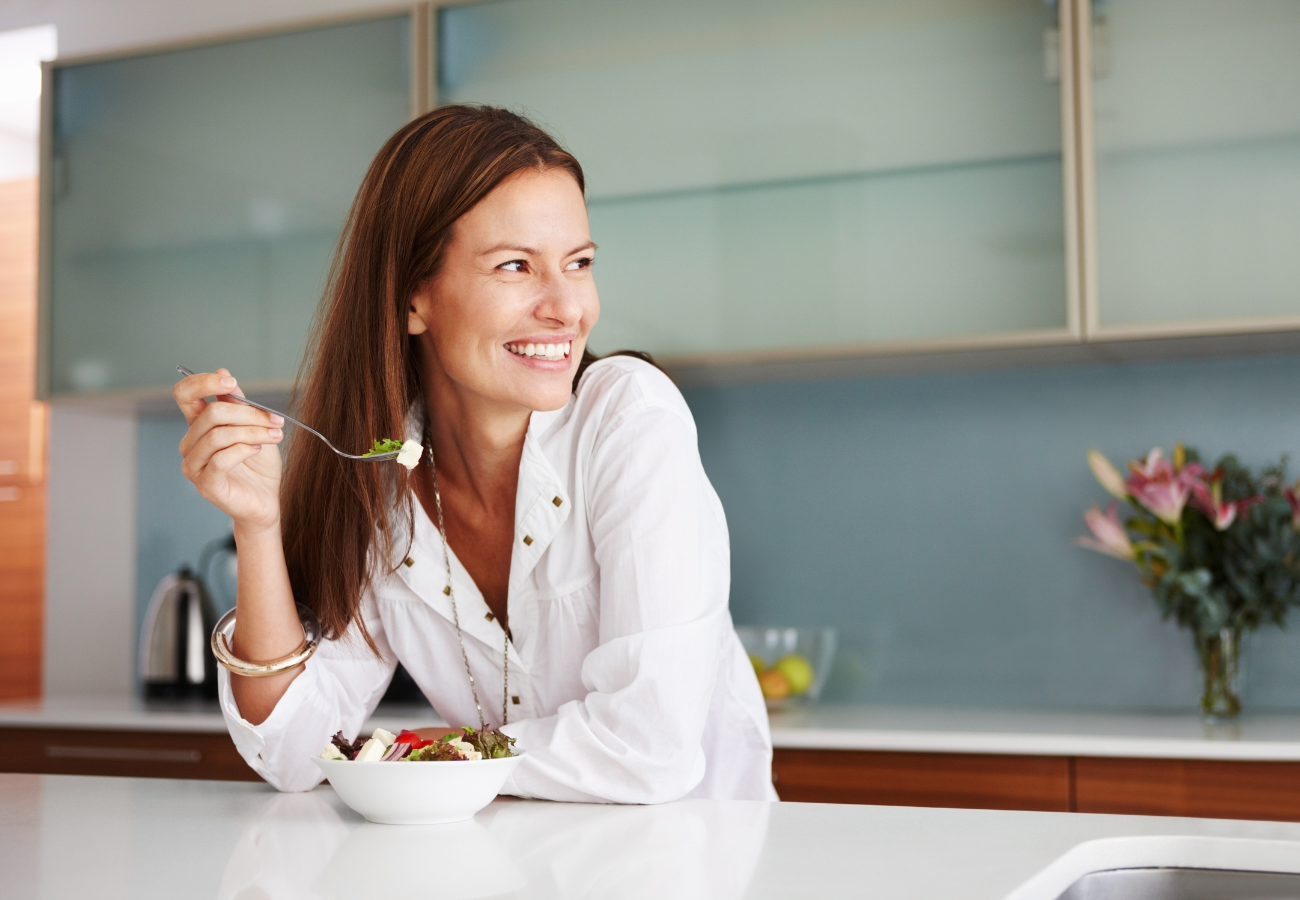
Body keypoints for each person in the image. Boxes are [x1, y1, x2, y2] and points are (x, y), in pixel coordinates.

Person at [173, 105, 774, 802]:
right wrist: (257, 525)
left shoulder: (629, 418)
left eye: (578, 263)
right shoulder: (381, 478)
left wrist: (406, 759)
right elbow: (293, 750)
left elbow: (648, 748)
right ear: (410, 299)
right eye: (516, 265)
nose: (566, 306)